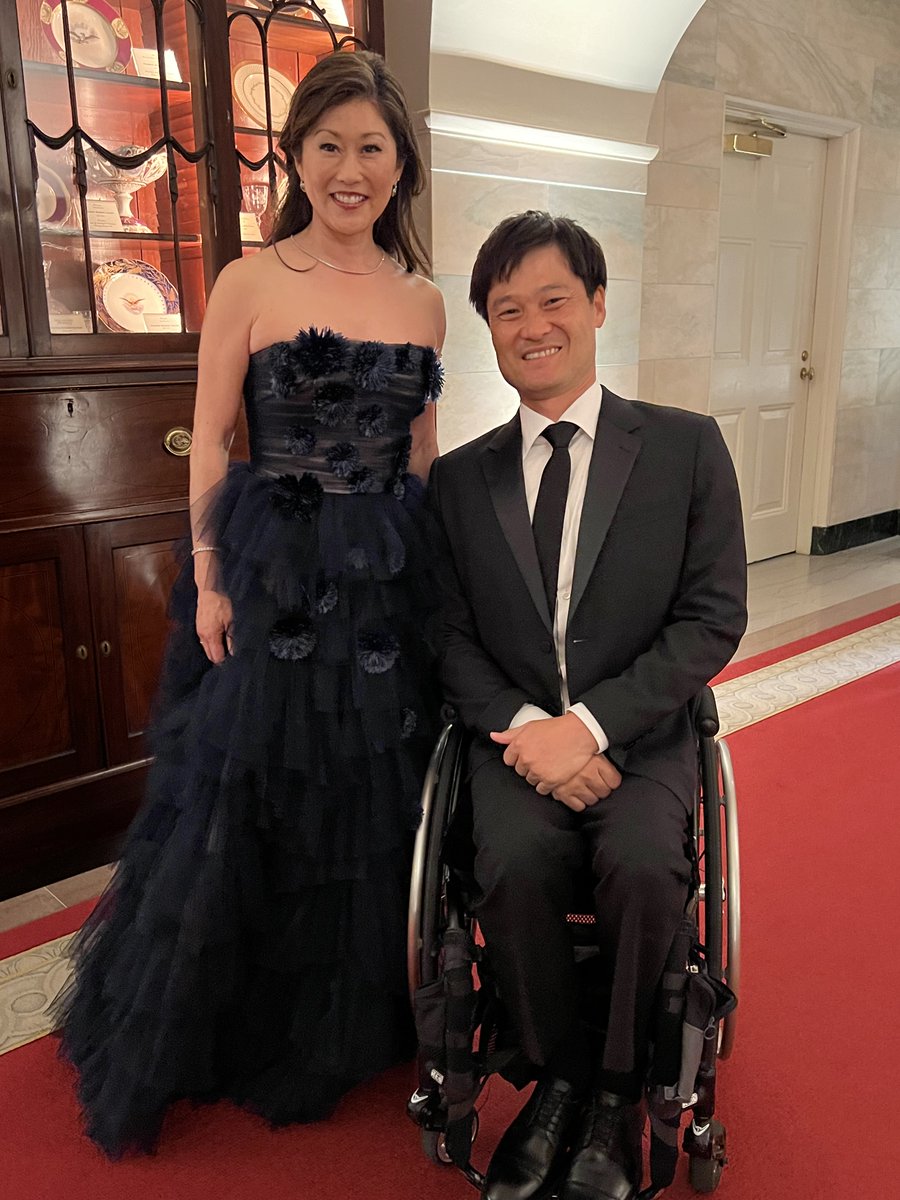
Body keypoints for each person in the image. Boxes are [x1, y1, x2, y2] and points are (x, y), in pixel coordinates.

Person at [53, 50, 446, 1159]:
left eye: (372, 147)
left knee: (369, 801)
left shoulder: (423, 299)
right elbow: (211, 445)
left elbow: (420, 455)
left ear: (401, 162)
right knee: (244, 791)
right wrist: (213, 579)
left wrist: (437, 575)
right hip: (273, 570)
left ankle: (345, 1012)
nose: (350, 168)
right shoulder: (247, 277)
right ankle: (218, 1019)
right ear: (297, 156)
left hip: (382, 575)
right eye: (330, 146)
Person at [428, 211, 747, 1200]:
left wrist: (595, 725)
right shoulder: (458, 479)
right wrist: (531, 731)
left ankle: (616, 1091)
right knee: (514, 863)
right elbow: (445, 636)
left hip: (638, 736)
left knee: (649, 868)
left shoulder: (687, 449)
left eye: (553, 299)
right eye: (507, 308)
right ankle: (555, 1080)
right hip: (514, 740)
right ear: (489, 325)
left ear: (598, 305)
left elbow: (711, 617)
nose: (532, 324)